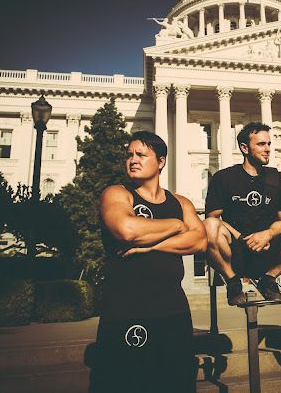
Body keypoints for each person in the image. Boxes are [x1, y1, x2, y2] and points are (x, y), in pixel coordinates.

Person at [89, 131, 207, 393]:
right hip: (126, 310)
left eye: (141, 154)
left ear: (161, 161)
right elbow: (127, 230)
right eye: (129, 155)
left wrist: (151, 245)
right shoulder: (117, 194)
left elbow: (200, 241)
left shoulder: (181, 202)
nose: (133, 160)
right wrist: (177, 226)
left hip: (173, 310)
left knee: (177, 383)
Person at [204, 122, 281, 305]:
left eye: (269, 144)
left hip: (269, 248)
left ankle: (269, 279)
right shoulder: (223, 178)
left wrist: (267, 235)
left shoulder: (279, 179)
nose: (267, 149)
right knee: (208, 226)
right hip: (235, 249)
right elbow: (213, 218)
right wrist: (242, 238)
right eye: (261, 144)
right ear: (244, 148)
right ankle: (232, 281)